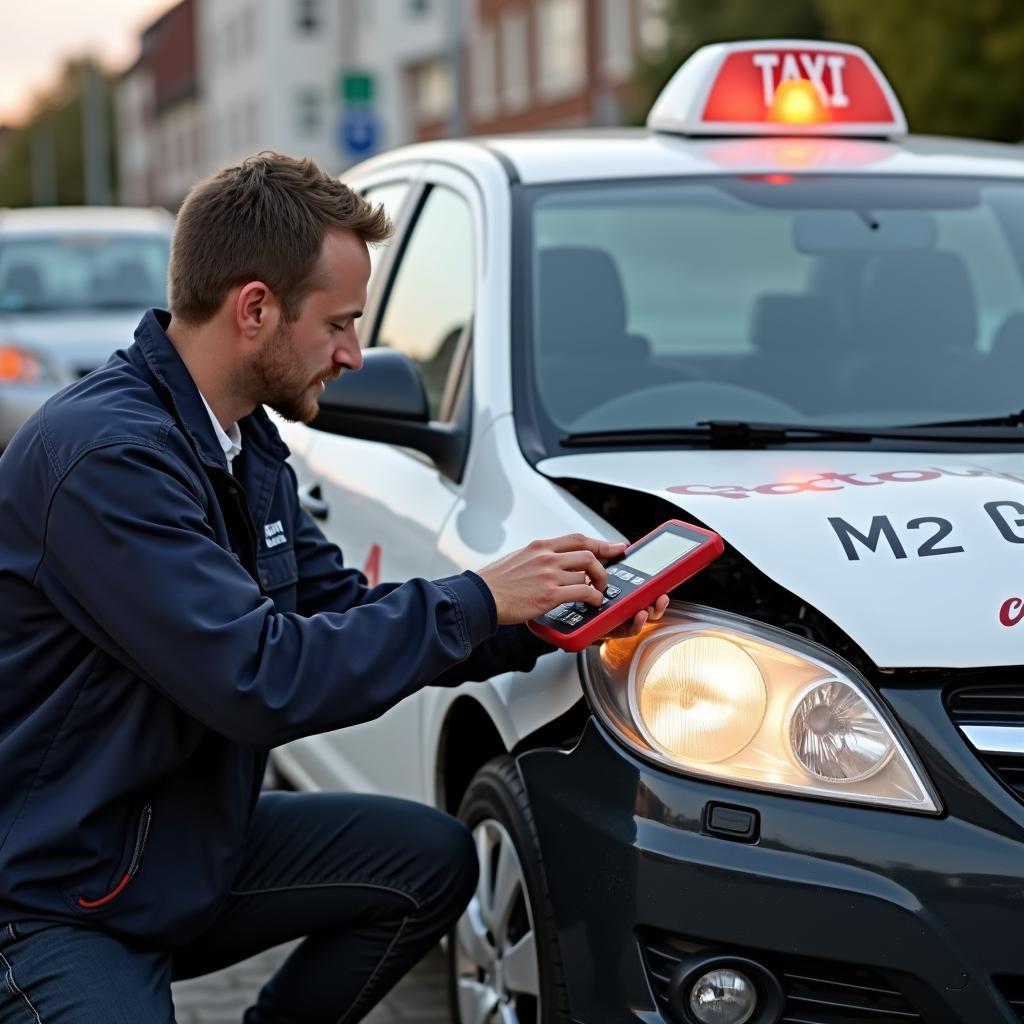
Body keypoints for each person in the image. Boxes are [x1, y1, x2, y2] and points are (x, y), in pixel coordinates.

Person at [0, 152, 669, 1023]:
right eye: (340, 324)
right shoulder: (107, 460)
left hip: (176, 847)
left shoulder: (243, 440)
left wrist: (542, 612)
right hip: (56, 892)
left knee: (426, 860)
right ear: (254, 309)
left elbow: (338, 609)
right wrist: (477, 596)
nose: (356, 354)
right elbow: (261, 678)